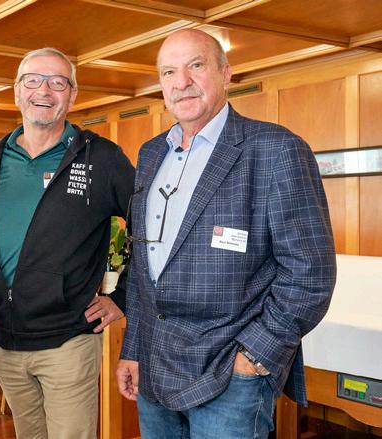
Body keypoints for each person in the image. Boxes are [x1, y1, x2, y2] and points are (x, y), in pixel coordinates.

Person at [116, 29, 336, 438]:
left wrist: (255, 356)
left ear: (225, 73)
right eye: (169, 72)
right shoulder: (151, 153)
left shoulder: (275, 149)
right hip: (155, 369)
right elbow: (143, 269)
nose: (181, 81)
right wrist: (133, 349)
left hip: (230, 375)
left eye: (196, 66)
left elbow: (310, 275)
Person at [0, 47, 135, 438]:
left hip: (68, 341)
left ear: (72, 95)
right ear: (17, 91)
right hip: (6, 341)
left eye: (58, 82)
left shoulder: (102, 158)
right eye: (33, 80)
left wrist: (122, 297)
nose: (44, 91)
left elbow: (151, 228)